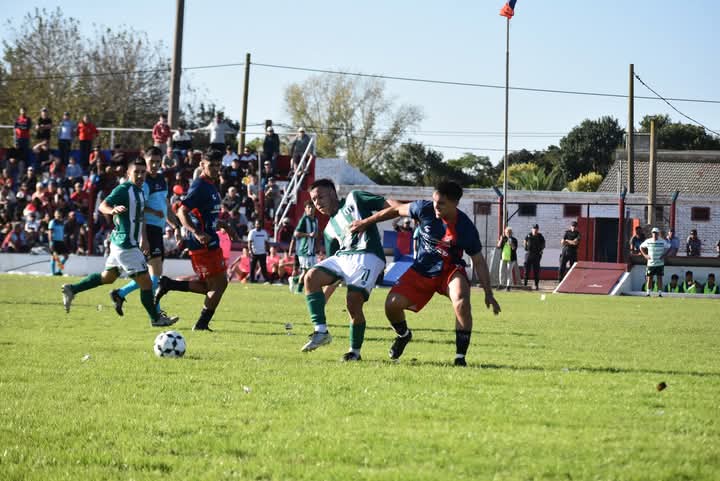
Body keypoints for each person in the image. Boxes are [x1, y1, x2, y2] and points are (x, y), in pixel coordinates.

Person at [349, 180, 501, 366]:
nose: (436, 206)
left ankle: (460, 357)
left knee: (461, 300)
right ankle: (403, 335)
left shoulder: (466, 228)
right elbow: (396, 210)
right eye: (435, 201)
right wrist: (365, 222)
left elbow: (478, 261)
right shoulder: (424, 208)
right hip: (421, 269)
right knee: (391, 305)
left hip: (449, 270)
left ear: (455, 203)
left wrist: (488, 293)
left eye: (441, 203)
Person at [60, 158, 177, 327]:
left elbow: (139, 212)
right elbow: (103, 206)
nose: (140, 175)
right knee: (147, 283)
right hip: (126, 245)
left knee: (107, 277)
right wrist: (112, 210)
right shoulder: (124, 189)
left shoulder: (139, 191)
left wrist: (144, 235)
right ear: (128, 173)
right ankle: (156, 319)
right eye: (136, 172)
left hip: (120, 243)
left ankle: (72, 289)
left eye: (143, 172)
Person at [300, 178, 390, 360]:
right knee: (311, 276)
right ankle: (321, 331)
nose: (317, 203)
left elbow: (389, 206)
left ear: (332, 194)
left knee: (353, 303)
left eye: (320, 197)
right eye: (314, 200)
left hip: (368, 254)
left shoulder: (354, 198)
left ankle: (354, 352)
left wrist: (408, 210)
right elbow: (334, 273)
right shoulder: (328, 231)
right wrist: (322, 300)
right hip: (344, 257)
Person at [155, 149, 239, 331]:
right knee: (219, 284)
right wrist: (197, 232)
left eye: (218, 165)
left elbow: (206, 215)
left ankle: (169, 284)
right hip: (203, 244)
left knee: (211, 285)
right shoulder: (200, 185)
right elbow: (181, 211)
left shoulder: (210, 185)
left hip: (210, 241)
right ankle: (201, 323)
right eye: (211, 165)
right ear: (202, 165)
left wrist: (224, 225)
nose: (215, 168)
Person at [111, 147, 180, 319]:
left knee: (152, 275)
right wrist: (144, 238)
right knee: (155, 272)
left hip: (158, 229)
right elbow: (139, 208)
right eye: (152, 162)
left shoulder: (162, 180)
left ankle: (120, 293)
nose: (155, 165)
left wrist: (175, 226)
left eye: (158, 162)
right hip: (148, 229)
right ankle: (156, 312)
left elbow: (165, 205)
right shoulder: (144, 183)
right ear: (145, 160)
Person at [289, 200, 319, 294]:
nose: (311, 209)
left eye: (312, 207)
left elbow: (316, 234)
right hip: (304, 250)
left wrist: (316, 244)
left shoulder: (316, 220)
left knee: (312, 271)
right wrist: (308, 235)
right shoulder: (304, 220)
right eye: (308, 207)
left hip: (312, 250)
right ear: (305, 209)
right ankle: (299, 289)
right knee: (307, 271)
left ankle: (294, 280)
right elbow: (296, 234)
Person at [639, 227, 669, 297]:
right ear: (652, 233)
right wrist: (645, 255)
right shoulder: (648, 241)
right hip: (650, 263)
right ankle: (648, 293)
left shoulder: (662, 241)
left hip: (660, 263)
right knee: (649, 278)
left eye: (656, 233)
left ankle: (660, 293)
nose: (654, 234)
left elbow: (669, 247)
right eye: (653, 233)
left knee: (659, 278)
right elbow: (641, 247)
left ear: (658, 234)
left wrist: (664, 255)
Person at [523, 224, 545, 290]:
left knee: (536, 271)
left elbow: (543, 244)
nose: (535, 230)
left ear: (538, 230)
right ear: (532, 229)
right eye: (534, 228)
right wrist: (525, 246)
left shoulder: (540, 236)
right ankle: (525, 284)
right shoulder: (528, 235)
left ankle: (536, 285)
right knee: (526, 271)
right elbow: (524, 241)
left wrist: (541, 250)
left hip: (536, 255)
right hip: (529, 254)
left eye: (536, 229)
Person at [48, 209, 69, 276]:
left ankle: (59, 271)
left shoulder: (62, 222)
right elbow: (50, 232)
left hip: (61, 242)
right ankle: (53, 273)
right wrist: (51, 242)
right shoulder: (52, 222)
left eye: (59, 213)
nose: (58, 215)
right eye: (57, 213)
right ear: (55, 214)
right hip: (54, 241)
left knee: (66, 256)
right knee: (55, 257)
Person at [496, 226, 517, 290]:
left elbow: (514, 248)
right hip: (503, 258)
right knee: (501, 271)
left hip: (511, 259)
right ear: (505, 233)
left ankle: (508, 286)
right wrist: (500, 240)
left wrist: (511, 243)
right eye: (507, 232)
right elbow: (498, 247)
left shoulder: (514, 240)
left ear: (511, 233)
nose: (508, 233)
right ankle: (501, 284)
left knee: (509, 272)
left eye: (509, 232)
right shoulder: (503, 239)